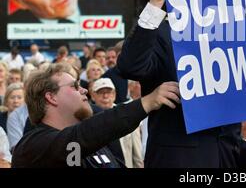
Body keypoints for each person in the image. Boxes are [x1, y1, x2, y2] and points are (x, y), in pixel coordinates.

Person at [117, 0, 246, 168]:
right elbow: (129, 66)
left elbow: (227, 131)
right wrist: (154, 5)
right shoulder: (164, 35)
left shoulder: (231, 41)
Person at [11, 63, 180, 168]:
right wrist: (147, 103)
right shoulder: (33, 146)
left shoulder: (94, 146)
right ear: (51, 97)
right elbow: (80, 137)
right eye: (75, 87)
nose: (84, 90)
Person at [91, 78, 143, 168]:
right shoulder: (87, 120)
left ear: (114, 94)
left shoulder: (127, 116)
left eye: (109, 92)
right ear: (93, 95)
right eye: (101, 92)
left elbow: (137, 156)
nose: (105, 96)